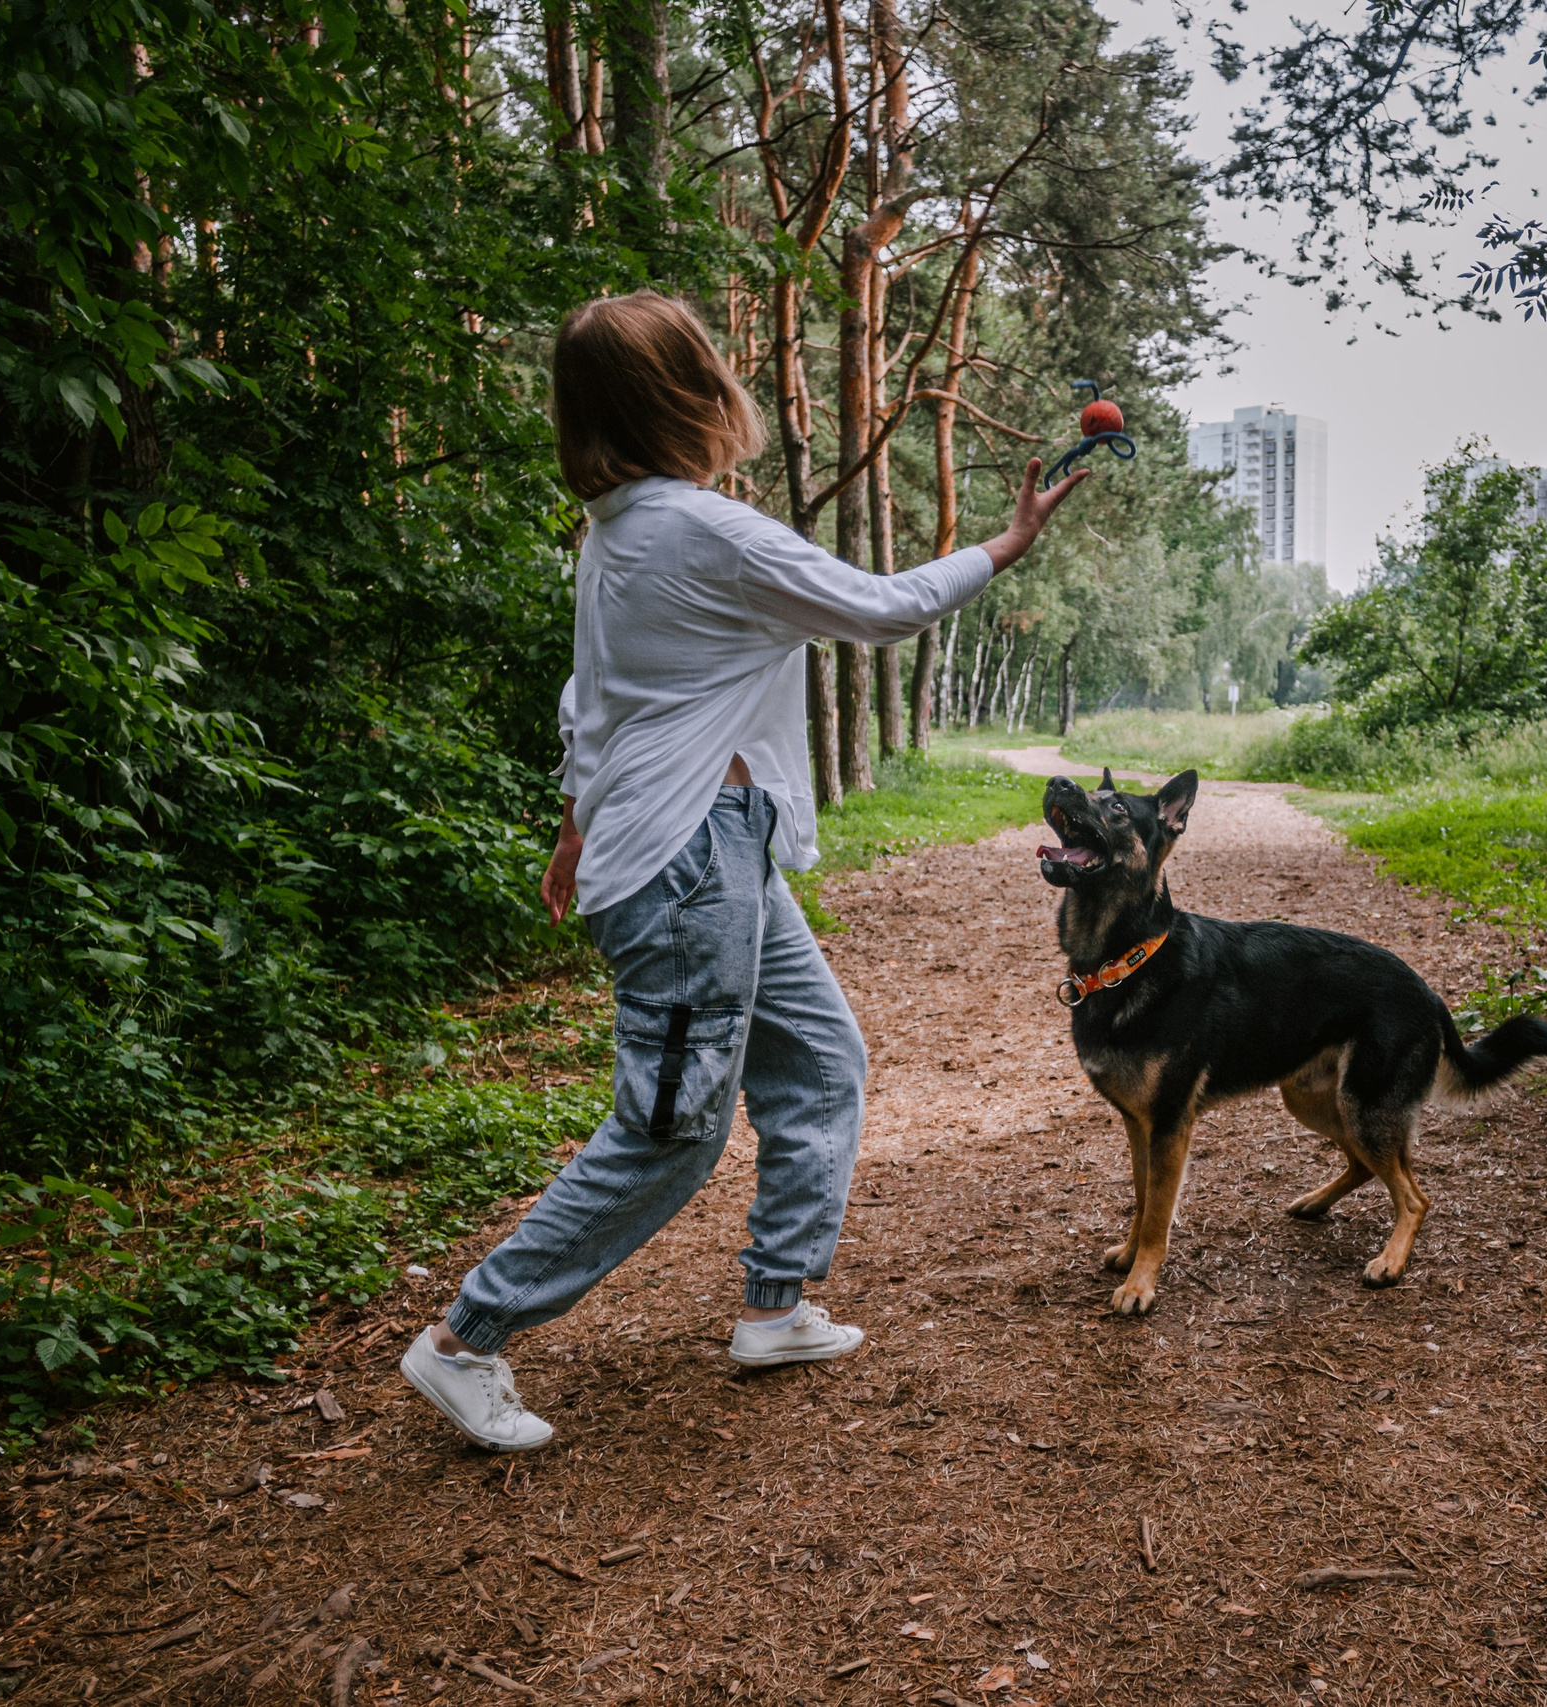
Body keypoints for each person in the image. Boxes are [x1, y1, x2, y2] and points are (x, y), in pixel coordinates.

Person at [399, 290, 1087, 1450]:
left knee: (818, 1061)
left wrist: (573, 824)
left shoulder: (619, 529)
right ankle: (466, 1340)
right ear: (688, 394)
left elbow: (593, 699)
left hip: (714, 852)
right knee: (672, 1129)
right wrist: (1007, 545)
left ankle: (776, 1307)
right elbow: (882, 609)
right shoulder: (698, 530)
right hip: (686, 866)